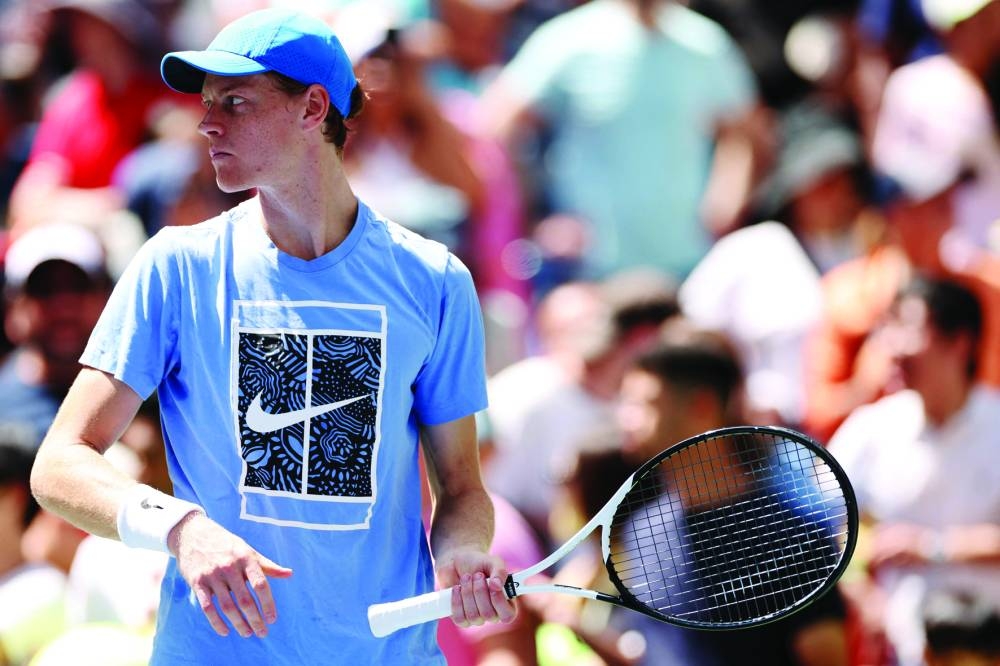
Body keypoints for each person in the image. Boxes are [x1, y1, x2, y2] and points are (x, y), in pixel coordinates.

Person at [29, 8, 515, 665]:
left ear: (313, 108)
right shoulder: (175, 265)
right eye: (206, 103)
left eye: (235, 101)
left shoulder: (435, 281)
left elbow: (461, 489)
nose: (206, 122)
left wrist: (462, 553)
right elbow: (60, 463)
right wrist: (182, 529)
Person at [827, 275, 1000, 666]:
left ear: (960, 341)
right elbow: (843, 530)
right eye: (887, 327)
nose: (891, 346)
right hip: (907, 654)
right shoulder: (870, 429)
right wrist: (863, 595)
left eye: (906, 326)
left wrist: (932, 547)